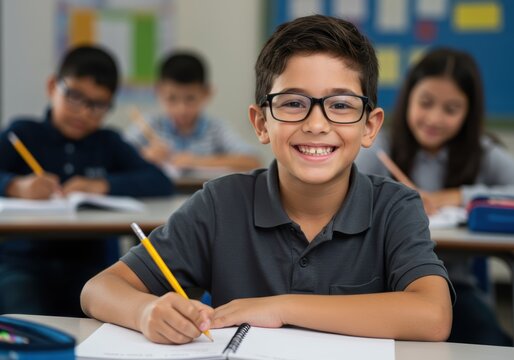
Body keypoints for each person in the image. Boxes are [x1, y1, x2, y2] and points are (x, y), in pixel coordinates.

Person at [81, 15, 454, 344]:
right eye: (293, 103)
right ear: (261, 122)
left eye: (340, 105)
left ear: (370, 127)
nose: (317, 124)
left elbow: (434, 315)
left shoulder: (395, 207)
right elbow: (99, 289)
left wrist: (281, 308)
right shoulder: (221, 204)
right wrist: (146, 312)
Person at [0, 45, 174, 316]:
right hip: (22, 261)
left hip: (91, 267)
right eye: (74, 96)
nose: (83, 112)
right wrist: (14, 186)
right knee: (24, 320)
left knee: (106, 320)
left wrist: (103, 185)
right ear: (52, 87)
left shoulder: (108, 142)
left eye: (97, 105)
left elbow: (160, 180)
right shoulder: (22, 133)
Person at [356, 47, 514, 346]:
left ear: (468, 113)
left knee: (492, 344)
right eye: (425, 103)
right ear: (408, 99)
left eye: (451, 109)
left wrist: (454, 196)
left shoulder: (482, 153)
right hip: (380, 286)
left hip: (454, 288)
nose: (434, 118)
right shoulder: (379, 146)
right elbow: (345, 194)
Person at [125, 51, 261, 173]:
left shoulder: (216, 129)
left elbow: (252, 161)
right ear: (158, 91)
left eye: (190, 98)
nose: (181, 109)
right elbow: (115, 160)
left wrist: (195, 161)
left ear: (206, 93)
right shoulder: (149, 125)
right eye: (171, 98)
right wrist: (144, 156)